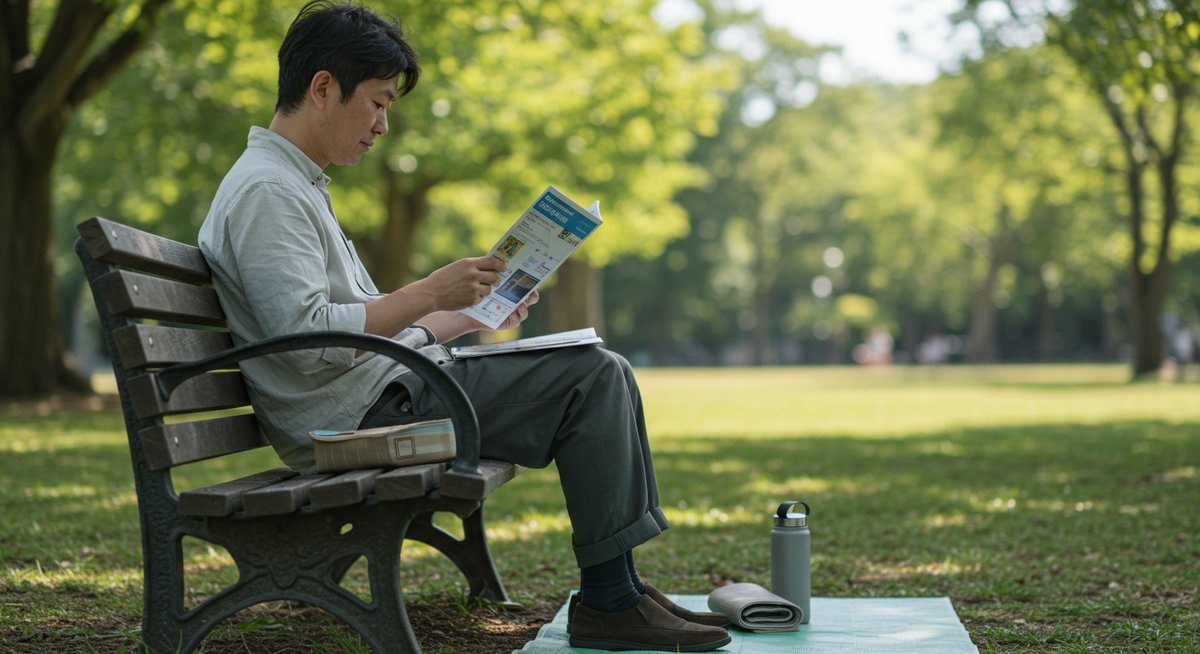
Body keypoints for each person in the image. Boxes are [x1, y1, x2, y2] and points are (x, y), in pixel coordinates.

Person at [197, 2, 730, 651]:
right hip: (351, 423)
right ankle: (612, 600)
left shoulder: (292, 185)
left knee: (598, 367)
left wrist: (464, 315)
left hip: (377, 397)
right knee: (591, 377)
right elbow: (309, 342)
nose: (383, 125)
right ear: (323, 88)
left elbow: (350, 339)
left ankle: (620, 588)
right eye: (379, 101)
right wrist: (427, 291)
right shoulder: (269, 192)